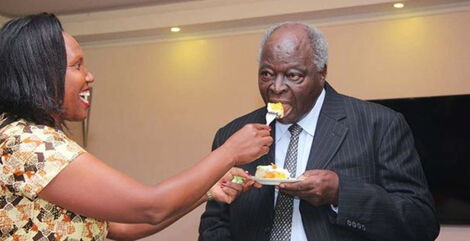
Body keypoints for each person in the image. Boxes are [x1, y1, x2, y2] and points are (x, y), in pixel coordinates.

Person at [0, 13, 273, 240]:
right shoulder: (27, 144)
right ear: (42, 75)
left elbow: (120, 227)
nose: (90, 76)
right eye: (77, 65)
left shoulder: (36, 138)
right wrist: (230, 152)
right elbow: (150, 206)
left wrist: (208, 191)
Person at [198, 22, 440, 241]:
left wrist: (340, 193)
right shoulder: (232, 135)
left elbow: (421, 224)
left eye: (293, 75)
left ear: (321, 73)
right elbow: (215, 224)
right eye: (266, 74)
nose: (276, 87)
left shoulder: (379, 125)